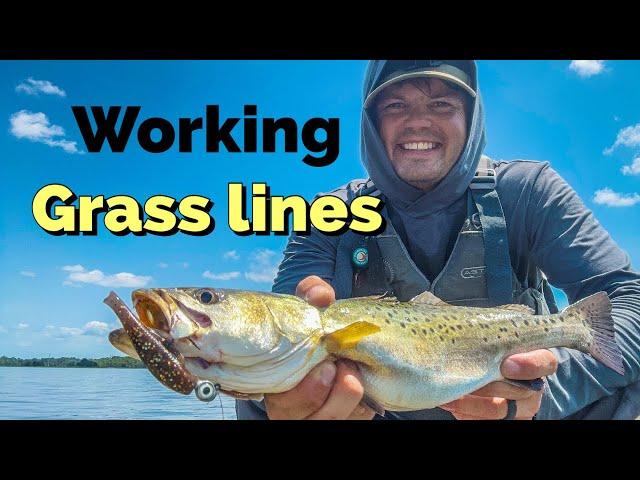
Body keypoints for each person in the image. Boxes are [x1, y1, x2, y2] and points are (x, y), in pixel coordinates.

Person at [236, 60, 640, 420]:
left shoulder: (530, 190)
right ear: (371, 124)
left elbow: (628, 298)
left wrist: (536, 395)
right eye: (396, 105)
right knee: (263, 393)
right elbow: (279, 334)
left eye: (442, 104)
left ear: (472, 117)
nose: (418, 121)